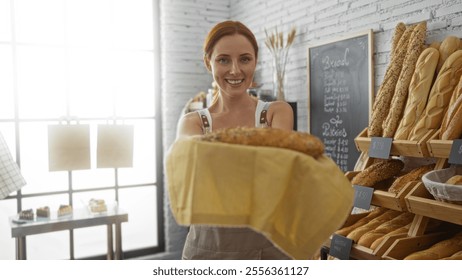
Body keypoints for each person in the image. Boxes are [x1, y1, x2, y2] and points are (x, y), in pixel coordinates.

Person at [176, 20, 294, 260]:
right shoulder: (192, 122)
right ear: (208, 62)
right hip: (205, 254)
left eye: (244, 59)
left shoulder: (277, 112)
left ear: (255, 61)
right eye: (223, 59)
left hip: (269, 253)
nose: (235, 70)